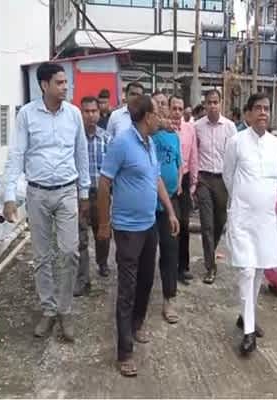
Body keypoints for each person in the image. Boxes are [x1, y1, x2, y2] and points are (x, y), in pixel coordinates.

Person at [2, 62, 90, 341]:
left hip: (66, 192)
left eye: (66, 82)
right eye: (60, 83)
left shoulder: (73, 114)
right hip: (37, 193)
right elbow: (16, 154)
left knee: (69, 252)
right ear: (44, 85)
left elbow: (81, 153)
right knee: (42, 256)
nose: (65, 87)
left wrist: (84, 192)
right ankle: (49, 310)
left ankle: (65, 310)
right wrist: (9, 196)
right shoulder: (27, 115)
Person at [97, 94, 179, 377]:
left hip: (149, 225)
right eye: (157, 113)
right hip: (126, 229)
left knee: (146, 280)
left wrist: (170, 211)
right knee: (127, 289)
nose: (161, 117)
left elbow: (156, 179)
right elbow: (104, 183)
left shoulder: (149, 144)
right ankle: (124, 352)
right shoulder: (122, 143)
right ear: (147, 117)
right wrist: (104, 223)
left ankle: (137, 323)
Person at [223, 93, 277, 355]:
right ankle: (249, 331)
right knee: (247, 271)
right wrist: (244, 199)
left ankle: (245, 315)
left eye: (267, 108)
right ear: (248, 114)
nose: (263, 112)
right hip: (242, 217)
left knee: (258, 270)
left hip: (265, 219)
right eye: (258, 108)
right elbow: (228, 175)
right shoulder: (236, 142)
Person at [194, 89, 238, 284]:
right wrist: (194, 181)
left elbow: (235, 155)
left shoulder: (230, 127)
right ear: (204, 105)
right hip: (203, 179)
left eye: (215, 102)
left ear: (221, 104)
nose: (212, 106)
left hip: (223, 180)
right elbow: (193, 153)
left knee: (220, 221)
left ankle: (210, 250)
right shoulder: (197, 127)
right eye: (209, 102)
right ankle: (210, 266)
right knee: (206, 224)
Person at [74, 96, 111, 298]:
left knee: (102, 232)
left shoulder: (106, 138)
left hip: (101, 194)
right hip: (80, 194)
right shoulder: (74, 139)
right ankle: (83, 279)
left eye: (93, 111)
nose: (90, 115)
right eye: (86, 111)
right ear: (81, 114)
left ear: (99, 113)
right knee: (80, 237)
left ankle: (102, 262)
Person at [152, 92, 183, 323]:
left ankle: (168, 299)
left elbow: (179, 163)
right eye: (159, 104)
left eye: (165, 104)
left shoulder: (174, 136)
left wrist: (179, 183)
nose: (163, 108)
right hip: (149, 203)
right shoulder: (149, 135)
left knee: (171, 251)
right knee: (146, 252)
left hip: (171, 201)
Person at [169, 95, 199, 285]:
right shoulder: (164, 130)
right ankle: (170, 267)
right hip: (168, 179)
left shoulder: (189, 129)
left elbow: (194, 155)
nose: (177, 112)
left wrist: (194, 182)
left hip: (185, 179)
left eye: (180, 109)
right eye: (174, 108)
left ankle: (183, 267)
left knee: (184, 224)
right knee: (171, 226)